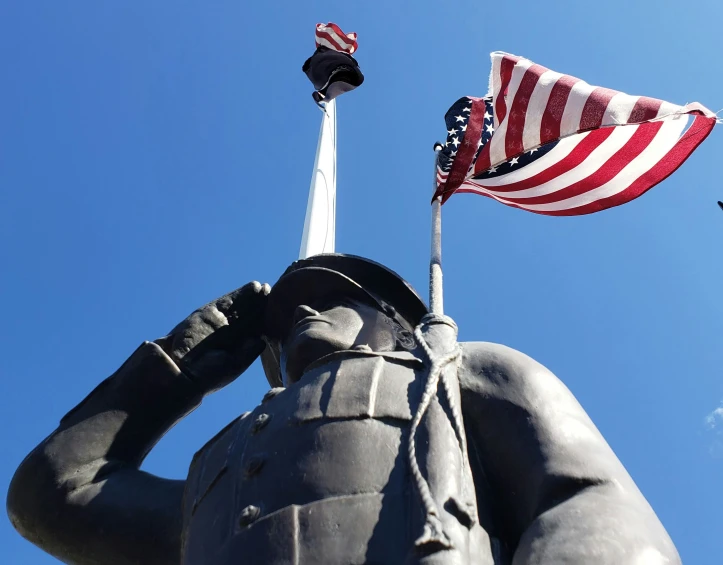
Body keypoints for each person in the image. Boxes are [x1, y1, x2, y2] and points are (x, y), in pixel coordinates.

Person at [7, 254, 680, 564]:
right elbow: (53, 494)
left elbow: (589, 504)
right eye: (283, 318)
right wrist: (172, 370)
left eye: (329, 297)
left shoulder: (464, 371)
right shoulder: (225, 461)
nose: (299, 313)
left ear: (393, 322)